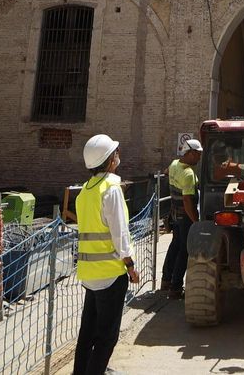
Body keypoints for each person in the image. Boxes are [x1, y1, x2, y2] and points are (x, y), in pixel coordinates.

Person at [74, 134, 139, 375]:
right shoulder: (111, 190)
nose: (118, 156)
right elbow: (120, 234)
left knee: (87, 333)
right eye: (116, 153)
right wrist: (130, 265)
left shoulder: (85, 192)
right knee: (106, 337)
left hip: (89, 274)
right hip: (111, 274)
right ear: (110, 159)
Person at [161, 138, 202, 300]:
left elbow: (165, 173)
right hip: (185, 216)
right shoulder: (188, 174)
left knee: (175, 245)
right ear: (190, 153)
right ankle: (176, 288)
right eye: (197, 155)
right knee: (184, 250)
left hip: (174, 214)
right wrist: (196, 221)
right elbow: (187, 202)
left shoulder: (173, 165)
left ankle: (166, 280)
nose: (199, 158)